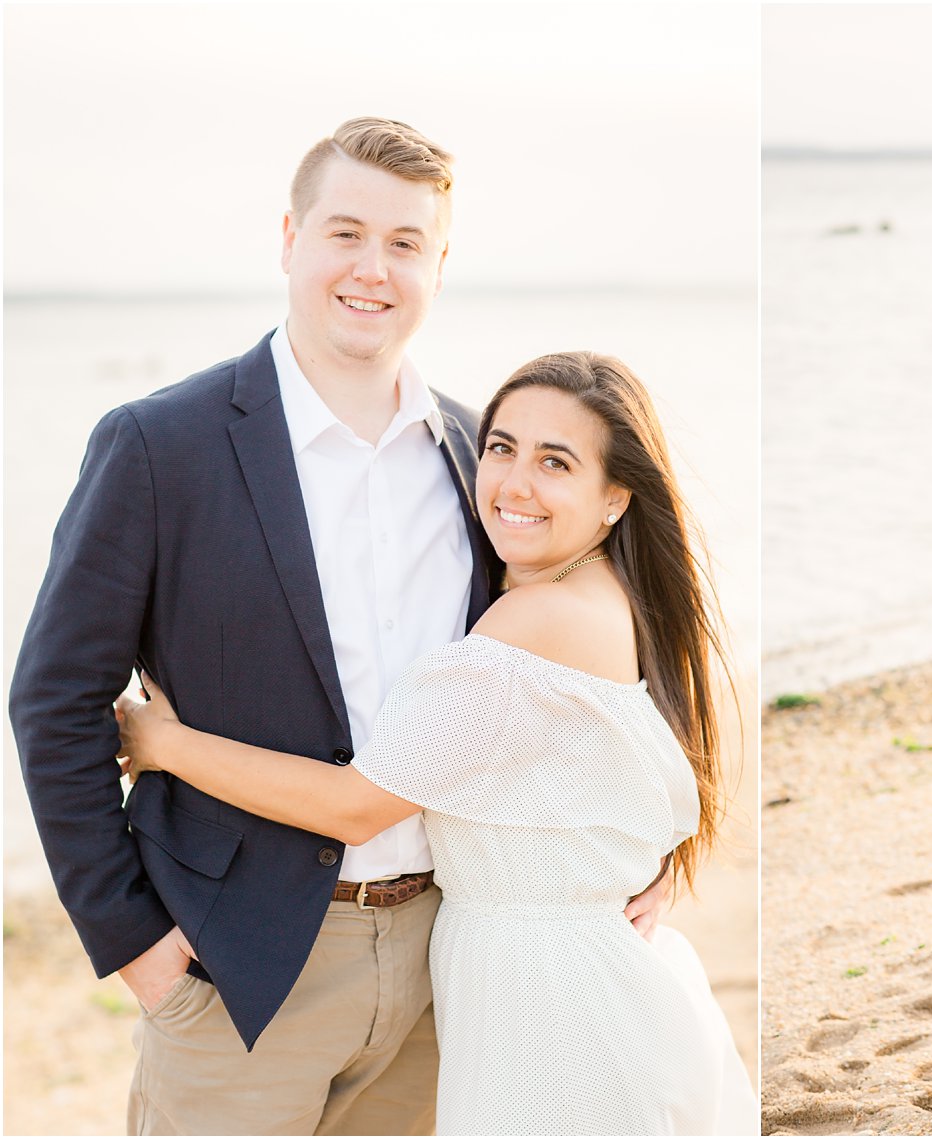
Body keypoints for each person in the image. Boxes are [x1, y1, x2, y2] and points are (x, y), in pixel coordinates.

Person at [8, 117, 667, 1135]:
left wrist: (643, 852)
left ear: (439, 267)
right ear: (288, 239)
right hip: (236, 968)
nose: (373, 267)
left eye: (406, 242)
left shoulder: (477, 457)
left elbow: (587, 659)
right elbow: (53, 698)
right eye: (345, 232)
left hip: (445, 959)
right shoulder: (158, 445)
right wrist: (136, 944)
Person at [117, 351, 759, 1135]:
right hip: (587, 978)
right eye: (501, 447)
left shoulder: (531, 626)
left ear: (616, 496)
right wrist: (634, 864)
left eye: (556, 462)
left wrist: (166, 743)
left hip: (551, 1008)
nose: (515, 483)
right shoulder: (608, 598)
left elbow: (356, 807)